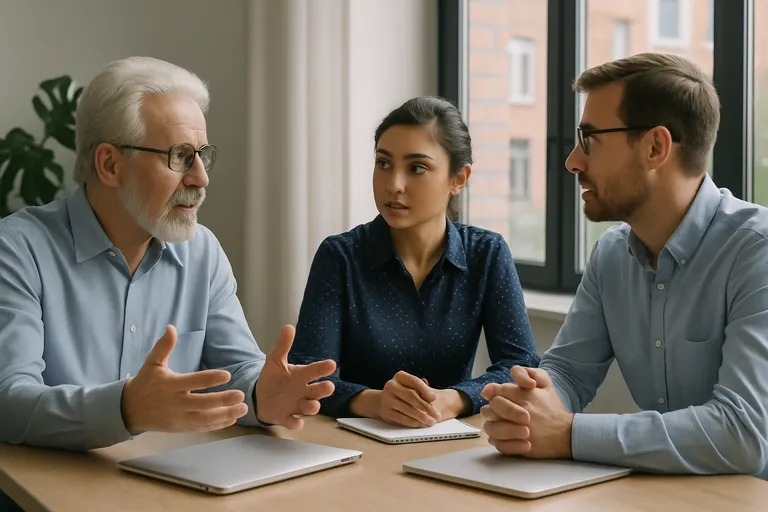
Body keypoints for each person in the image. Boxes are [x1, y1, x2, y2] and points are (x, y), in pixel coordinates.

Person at [0, 56, 336, 452]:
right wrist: (125, 409)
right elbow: (8, 400)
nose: (201, 178)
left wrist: (264, 394)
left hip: (169, 481)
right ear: (109, 164)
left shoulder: (203, 252)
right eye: (179, 157)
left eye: (203, 155)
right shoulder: (18, 249)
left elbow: (235, 369)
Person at [481, 52, 768, 477]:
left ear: (655, 147)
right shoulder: (612, 254)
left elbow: (744, 434)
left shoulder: (756, 251)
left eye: (590, 140)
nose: (572, 161)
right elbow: (567, 372)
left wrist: (567, 434)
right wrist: (530, 403)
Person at [288, 96, 540, 428]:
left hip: (453, 441)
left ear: (459, 179)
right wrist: (377, 402)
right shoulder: (340, 257)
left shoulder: (487, 253)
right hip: (355, 442)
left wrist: (455, 399)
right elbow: (307, 376)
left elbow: (520, 365)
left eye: (416, 168)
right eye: (383, 163)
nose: (394, 185)